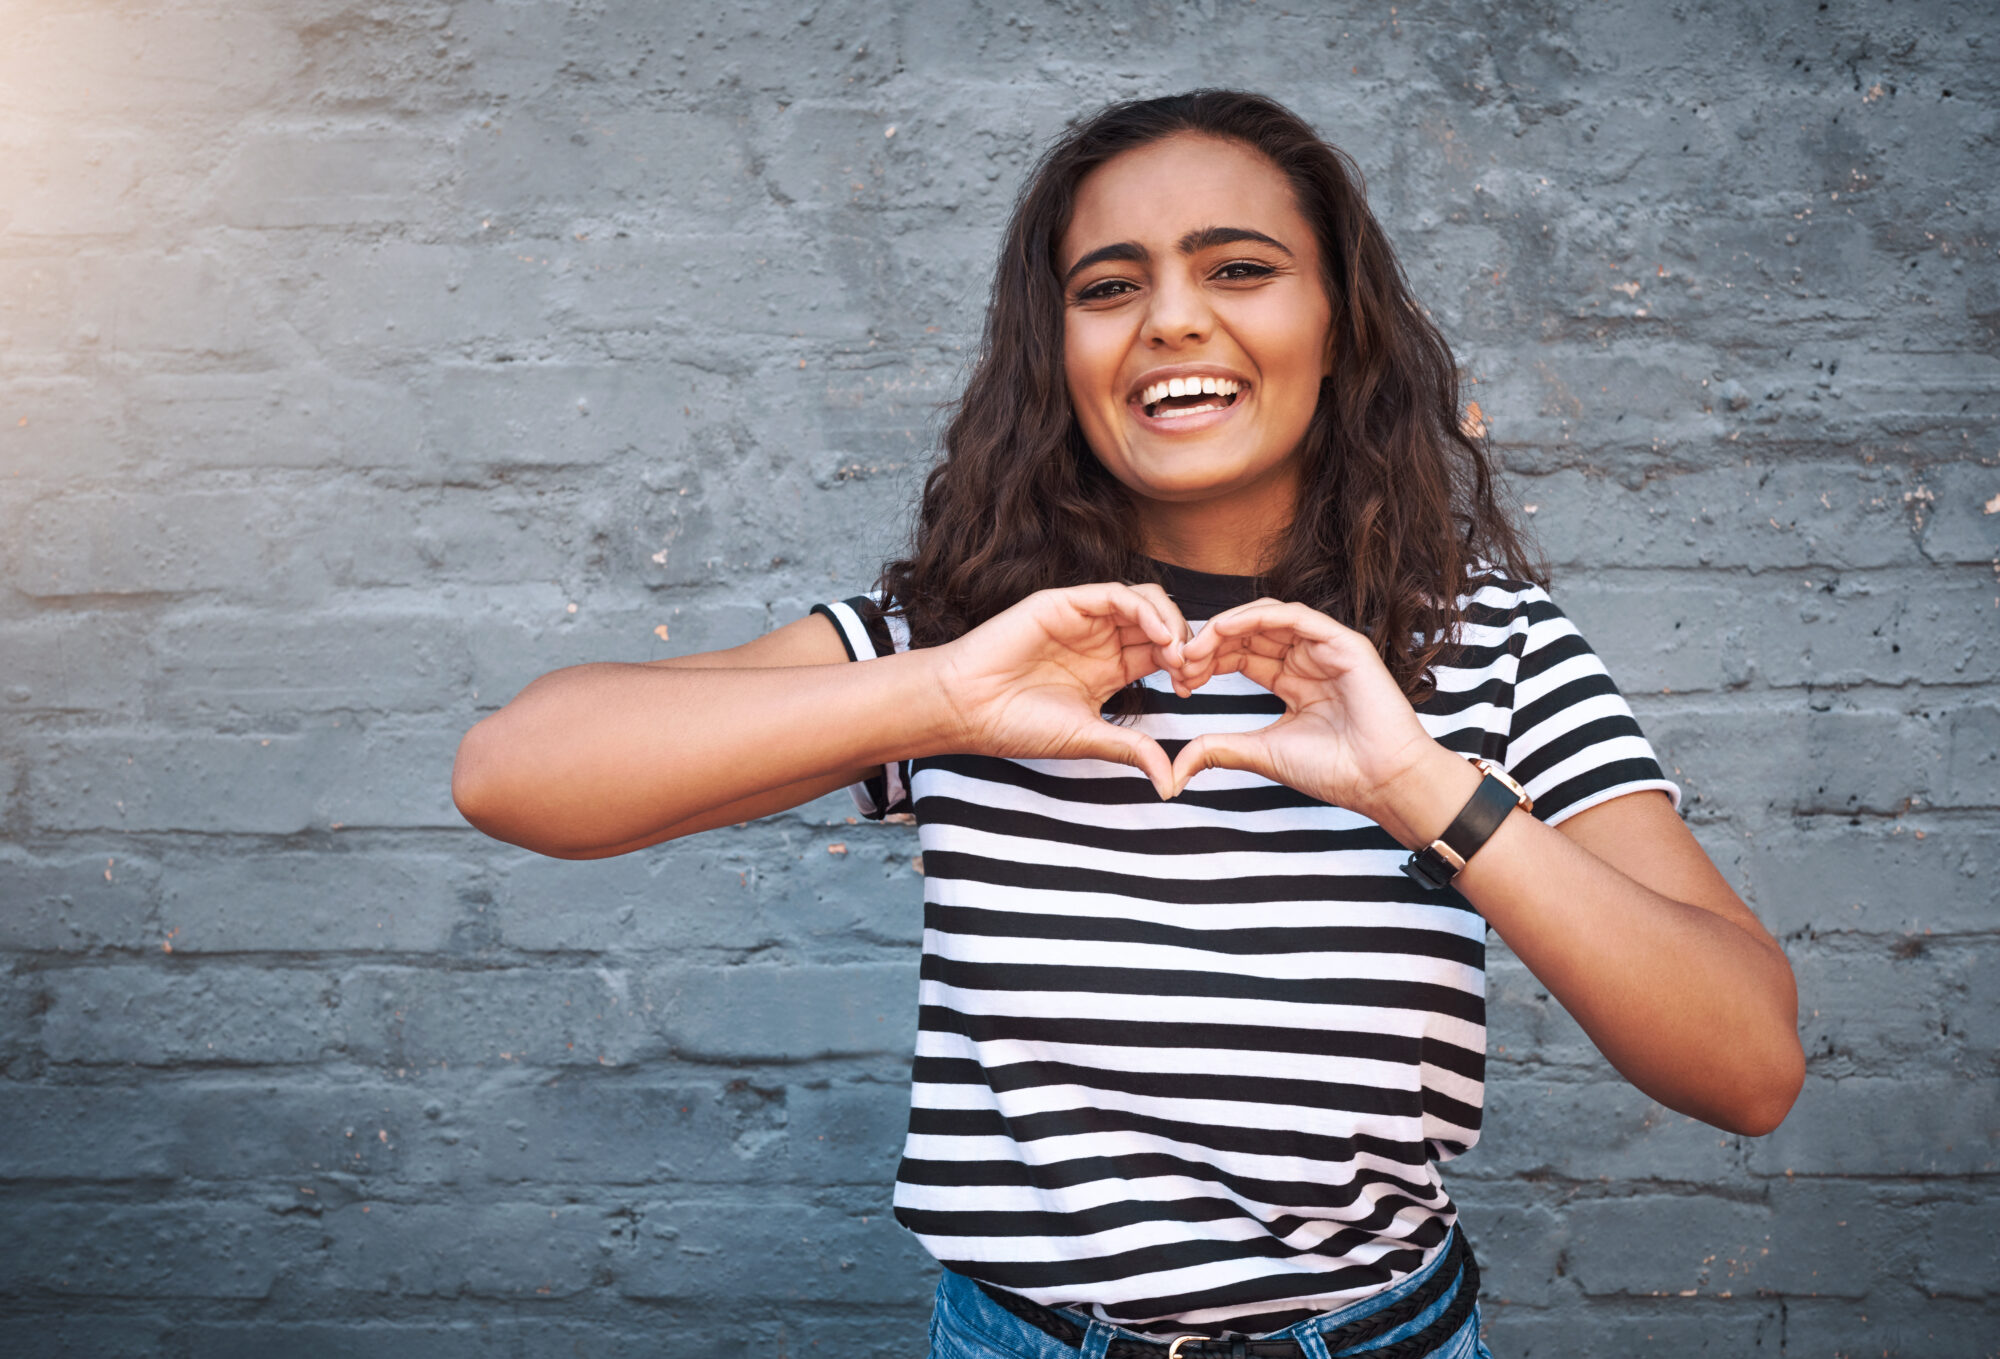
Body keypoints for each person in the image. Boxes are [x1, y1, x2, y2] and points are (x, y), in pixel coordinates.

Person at [452, 90, 1803, 1359]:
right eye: (1109, 287)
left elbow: (1747, 1066)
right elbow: (517, 775)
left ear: (1339, 327)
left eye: (1238, 269)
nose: (1169, 320)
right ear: (1063, 355)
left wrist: (1422, 788)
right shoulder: (972, 638)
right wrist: (948, 698)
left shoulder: (1489, 644)